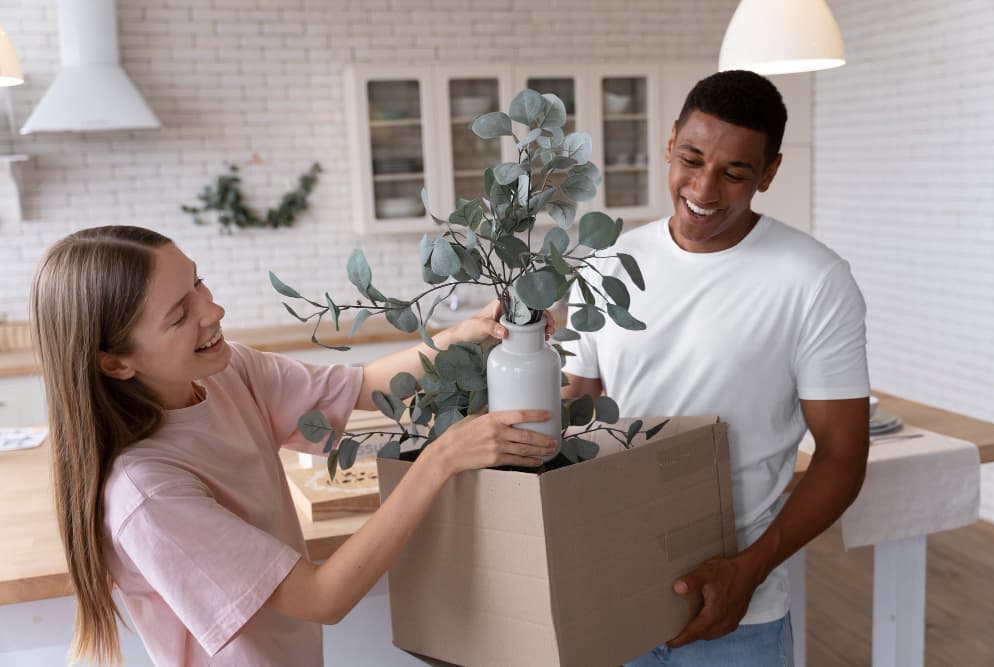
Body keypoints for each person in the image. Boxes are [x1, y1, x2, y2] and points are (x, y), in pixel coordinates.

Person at [30, 225, 557, 666]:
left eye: (199, 283)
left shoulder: (224, 370)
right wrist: (441, 460)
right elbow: (322, 596)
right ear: (117, 362)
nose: (212, 310)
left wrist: (462, 336)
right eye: (178, 315)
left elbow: (361, 386)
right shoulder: (147, 493)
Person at [561, 70, 870, 666]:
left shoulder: (814, 280)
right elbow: (578, 406)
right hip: (606, 600)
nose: (703, 188)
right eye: (690, 158)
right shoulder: (606, 265)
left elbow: (843, 453)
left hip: (736, 615)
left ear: (770, 172)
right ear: (670, 139)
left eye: (734, 173)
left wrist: (749, 570)